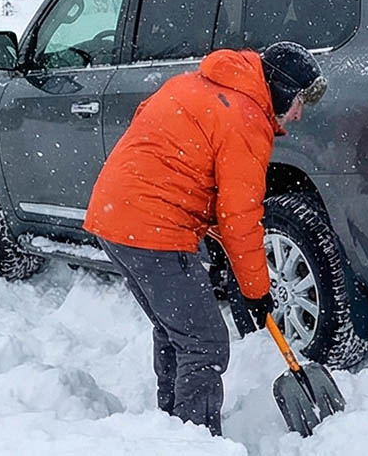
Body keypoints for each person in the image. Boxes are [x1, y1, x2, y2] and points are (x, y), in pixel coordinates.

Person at [83, 42, 327, 436]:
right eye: (298, 102)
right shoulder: (246, 118)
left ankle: (172, 430)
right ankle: (197, 439)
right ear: (281, 90)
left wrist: (210, 224)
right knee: (205, 343)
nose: (298, 114)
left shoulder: (199, 85)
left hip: (115, 215)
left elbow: (159, 134)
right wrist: (255, 289)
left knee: (177, 332)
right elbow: (240, 215)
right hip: (153, 227)